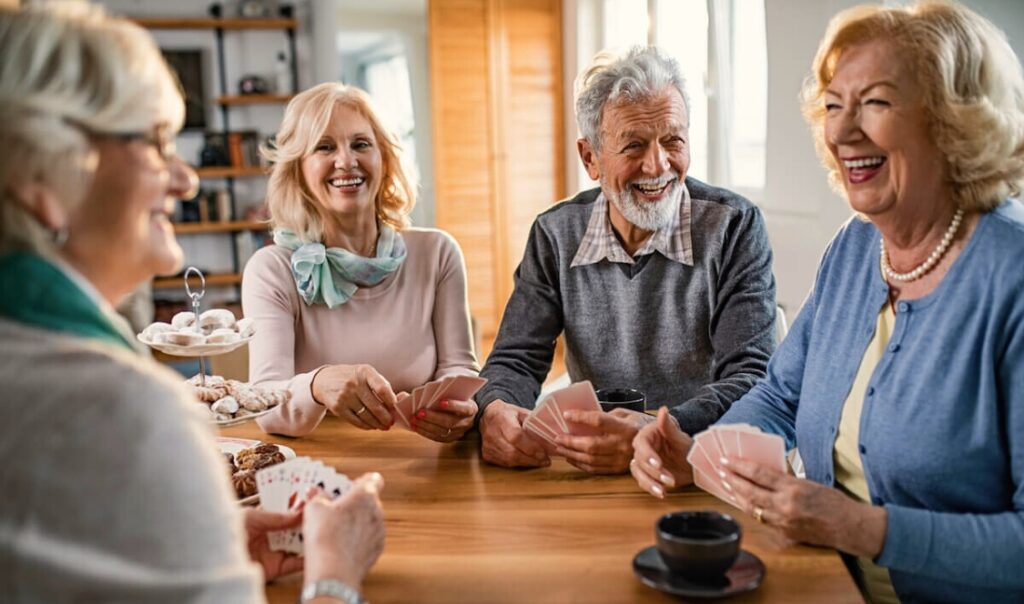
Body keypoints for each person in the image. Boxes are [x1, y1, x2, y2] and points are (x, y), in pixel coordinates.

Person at [630, 3, 1024, 602]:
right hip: (824, 586)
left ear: (954, 120)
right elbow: (782, 396)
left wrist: (863, 528)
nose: (841, 133)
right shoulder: (856, 246)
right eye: (834, 106)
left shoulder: (1012, 277)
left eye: (876, 102)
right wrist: (705, 456)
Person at [0, 4, 384, 602]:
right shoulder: (120, 409)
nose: (186, 179)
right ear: (43, 175)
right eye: (154, 143)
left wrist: (205, 547)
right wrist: (336, 568)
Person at [476, 46, 777, 474]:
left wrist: (655, 431)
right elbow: (515, 359)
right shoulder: (554, 234)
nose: (657, 165)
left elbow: (752, 377)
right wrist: (496, 408)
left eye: (673, 140)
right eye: (634, 145)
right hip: (592, 463)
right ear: (590, 158)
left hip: (698, 463)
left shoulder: (734, 227)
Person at [244, 82, 480, 442]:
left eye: (361, 144)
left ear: (384, 159)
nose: (346, 161)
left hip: (421, 456)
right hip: (317, 464)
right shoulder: (271, 270)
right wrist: (318, 384)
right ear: (298, 170)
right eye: (325, 147)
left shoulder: (437, 253)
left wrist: (458, 408)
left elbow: (459, 368)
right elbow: (266, 406)